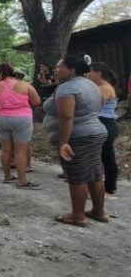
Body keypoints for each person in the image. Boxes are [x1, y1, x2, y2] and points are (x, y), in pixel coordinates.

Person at [43, 55, 108, 227]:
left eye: (59, 67)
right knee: (95, 173)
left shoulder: (68, 89)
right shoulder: (91, 85)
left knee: (77, 176)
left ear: (71, 70)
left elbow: (66, 116)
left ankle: (78, 216)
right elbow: (100, 104)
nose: (56, 70)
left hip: (78, 136)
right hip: (96, 131)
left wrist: (64, 141)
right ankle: (98, 211)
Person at [0, 63, 41, 189]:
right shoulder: (25, 85)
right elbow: (37, 101)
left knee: (6, 149)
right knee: (20, 151)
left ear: (0, 73)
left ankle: (7, 176)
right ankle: (22, 180)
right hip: (22, 119)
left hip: (1, 119)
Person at [87, 62, 120, 195]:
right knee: (104, 154)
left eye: (90, 71)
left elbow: (95, 106)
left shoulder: (104, 88)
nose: (88, 74)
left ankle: (109, 184)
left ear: (98, 73)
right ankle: (106, 184)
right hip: (103, 123)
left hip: (105, 123)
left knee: (106, 155)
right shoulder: (99, 87)